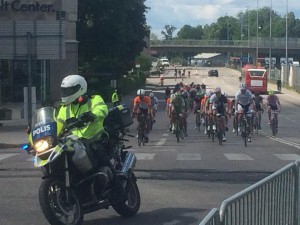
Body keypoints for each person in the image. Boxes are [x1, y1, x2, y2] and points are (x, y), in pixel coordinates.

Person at [57, 75, 123, 197]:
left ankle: (116, 185)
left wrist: (92, 115)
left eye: (69, 91)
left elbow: (102, 110)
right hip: (75, 143)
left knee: (96, 150)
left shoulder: (93, 99)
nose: (66, 93)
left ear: (80, 88)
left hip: (95, 138)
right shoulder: (64, 108)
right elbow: (58, 124)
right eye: (65, 91)